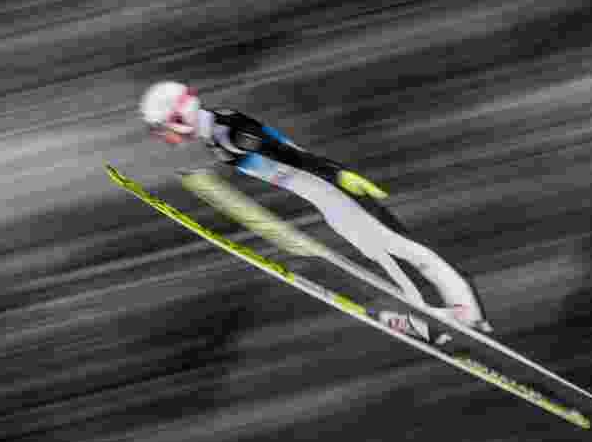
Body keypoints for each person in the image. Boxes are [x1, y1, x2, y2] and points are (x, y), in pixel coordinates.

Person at [139, 80, 492, 333]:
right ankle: (431, 318)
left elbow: (289, 156)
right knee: (379, 254)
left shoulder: (228, 132)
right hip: (325, 198)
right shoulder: (216, 133)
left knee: (403, 247)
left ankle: (468, 313)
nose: (162, 138)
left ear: (178, 117)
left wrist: (342, 177)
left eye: (161, 129)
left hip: (333, 189)